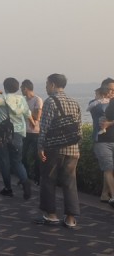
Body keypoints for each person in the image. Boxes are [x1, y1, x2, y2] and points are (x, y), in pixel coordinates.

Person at [35, 73, 82, 228]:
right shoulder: (74, 102)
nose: (46, 87)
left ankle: (51, 215)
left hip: (54, 148)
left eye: (47, 84)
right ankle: (70, 218)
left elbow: (44, 127)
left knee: (48, 180)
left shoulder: (50, 101)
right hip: (72, 149)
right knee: (70, 182)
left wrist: (40, 147)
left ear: (53, 85)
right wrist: (77, 147)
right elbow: (79, 128)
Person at [0, 78, 32, 199]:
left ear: (5, 87)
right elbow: (28, 114)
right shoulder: (21, 99)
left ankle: (8, 189)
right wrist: (34, 123)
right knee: (17, 161)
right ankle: (25, 182)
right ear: (17, 87)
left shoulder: (2, 98)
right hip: (18, 133)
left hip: (2, 134)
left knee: (4, 161)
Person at [90, 78, 114, 203]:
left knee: (109, 169)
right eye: (109, 89)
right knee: (108, 168)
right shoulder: (95, 103)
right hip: (102, 141)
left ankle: (105, 194)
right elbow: (101, 111)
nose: (112, 92)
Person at [21, 79, 43, 185]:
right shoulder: (23, 100)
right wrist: (30, 114)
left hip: (35, 132)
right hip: (24, 131)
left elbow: (37, 116)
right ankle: (25, 177)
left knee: (36, 156)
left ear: (25, 88)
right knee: (22, 155)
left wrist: (27, 112)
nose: (21, 90)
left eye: (22, 88)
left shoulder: (37, 99)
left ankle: (37, 178)